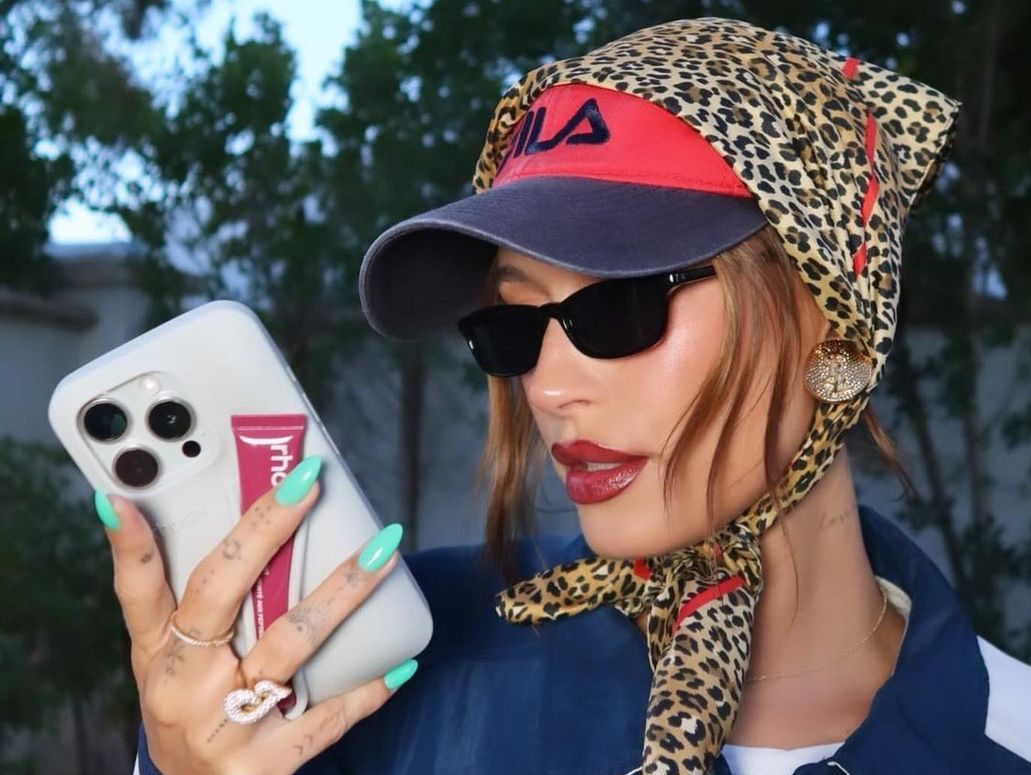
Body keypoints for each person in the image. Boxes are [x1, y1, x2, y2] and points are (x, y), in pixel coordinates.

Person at [120, 17, 1031, 775]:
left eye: (619, 306)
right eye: (512, 325)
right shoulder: (385, 668)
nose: (547, 386)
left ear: (830, 315)